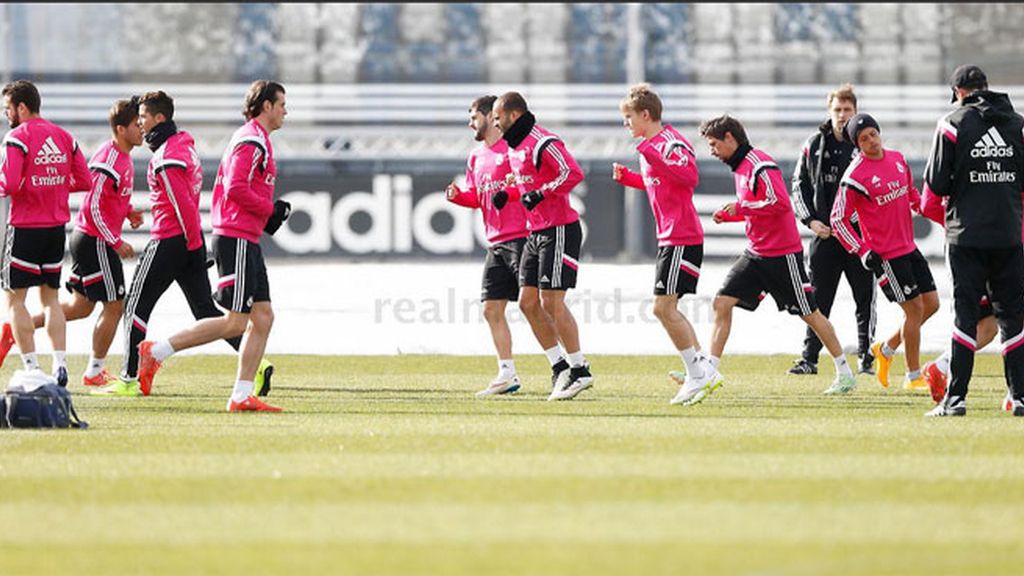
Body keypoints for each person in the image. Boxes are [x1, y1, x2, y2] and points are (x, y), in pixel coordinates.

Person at [99, 90, 273, 397]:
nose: (140, 125)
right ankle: (257, 363)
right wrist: (196, 247)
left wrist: (195, 248)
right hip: (189, 241)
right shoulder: (183, 146)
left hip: (169, 240)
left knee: (136, 307)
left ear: (159, 118)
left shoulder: (166, 156)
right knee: (206, 312)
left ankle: (129, 379)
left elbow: (182, 207)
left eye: (143, 118)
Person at [137, 80, 291, 412]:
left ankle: (241, 395)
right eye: (281, 105)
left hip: (246, 235)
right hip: (234, 236)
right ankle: (156, 351)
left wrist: (266, 215)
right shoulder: (251, 139)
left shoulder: (258, 139)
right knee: (237, 322)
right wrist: (269, 210)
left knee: (262, 316)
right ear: (266, 106)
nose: (284, 112)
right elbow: (235, 188)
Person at [699, 115, 857, 397]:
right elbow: (757, 209)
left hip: (783, 256)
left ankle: (844, 372)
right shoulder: (740, 168)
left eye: (713, 144)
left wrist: (741, 206)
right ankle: (709, 371)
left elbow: (779, 203)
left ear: (730, 139)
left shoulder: (760, 164)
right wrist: (733, 216)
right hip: (756, 254)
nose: (711, 151)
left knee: (811, 314)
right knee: (721, 302)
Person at [0, 98, 146, 389]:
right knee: (115, 305)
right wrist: (115, 241)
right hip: (93, 240)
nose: (142, 129)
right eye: (136, 125)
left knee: (79, 307)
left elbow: (102, 198)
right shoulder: (105, 158)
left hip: (69, 234)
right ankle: (93, 370)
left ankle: (16, 330)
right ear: (120, 129)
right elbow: (91, 204)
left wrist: (126, 211)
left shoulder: (122, 156)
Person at [921, 64, 1024, 417]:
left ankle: (956, 399)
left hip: (965, 237)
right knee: (1011, 318)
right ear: (986, 87)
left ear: (960, 92)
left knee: (965, 317)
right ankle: (1019, 397)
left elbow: (935, 184)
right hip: (1009, 234)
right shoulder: (1019, 124)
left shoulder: (952, 123)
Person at [611, 83, 717, 406]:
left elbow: (689, 176)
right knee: (669, 308)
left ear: (646, 115)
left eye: (629, 117)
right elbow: (658, 182)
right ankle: (701, 369)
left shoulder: (668, 143)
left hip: (682, 236)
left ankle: (698, 374)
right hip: (672, 236)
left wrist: (652, 155)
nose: (626, 123)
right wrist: (630, 177)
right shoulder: (650, 146)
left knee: (662, 307)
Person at [492, 91, 592, 401]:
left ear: (514, 115)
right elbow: (525, 184)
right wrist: (507, 195)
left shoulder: (543, 141)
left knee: (551, 302)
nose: (494, 123)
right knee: (526, 303)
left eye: (498, 117)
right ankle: (559, 366)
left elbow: (572, 173)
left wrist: (543, 193)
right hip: (535, 232)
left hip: (559, 229)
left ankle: (580, 370)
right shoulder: (515, 148)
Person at [830, 113, 940, 393]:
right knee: (913, 311)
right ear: (857, 144)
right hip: (886, 255)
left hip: (909, 246)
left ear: (879, 133)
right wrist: (862, 250)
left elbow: (911, 193)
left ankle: (886, 348)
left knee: (932, 304)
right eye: (863, 139)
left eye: (873, 134)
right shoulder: (854, 176)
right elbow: (838, 219)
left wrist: (928, 209)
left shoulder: (897, 158)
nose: (871, 141)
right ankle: (913, 375)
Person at [0, 80, 90, 387]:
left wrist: (25, 185)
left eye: (8, 109)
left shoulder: (17, 137)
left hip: (25, 228)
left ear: (21, 107)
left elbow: (9, 185)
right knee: (51, 300)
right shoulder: (64, 136)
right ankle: (61, 364)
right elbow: (85, 180)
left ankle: (31, 367)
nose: (7, 115)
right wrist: (53, 185)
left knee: (15, 301)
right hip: (55, 229)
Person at [446, 95, 533, 397]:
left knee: (535, 306)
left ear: (488, 116)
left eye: (473, 117)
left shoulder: (513, 151)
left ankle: (565, 363)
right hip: (496, 241)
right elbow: (478, 197)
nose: (470, 123)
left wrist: (511, 191)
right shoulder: (475, 157)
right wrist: (459, 197)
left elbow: (528, 186)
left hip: (522, 235)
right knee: (491, 309)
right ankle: (507, 372)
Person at [789, 84, 877, 376]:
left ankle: (866, 358)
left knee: (865, 300)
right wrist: (811, 221)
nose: (842, 115)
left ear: (855, 111)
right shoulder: (814, 144)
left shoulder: (866, 144)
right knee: (816, 301)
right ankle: (809, 358)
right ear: (830, 111)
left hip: (859, 239)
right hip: (825, 236)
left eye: (847, 110)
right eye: (837, 110)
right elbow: (798, 185)